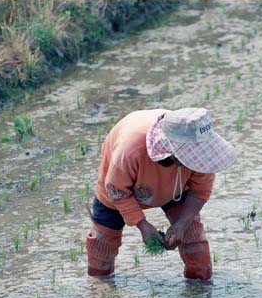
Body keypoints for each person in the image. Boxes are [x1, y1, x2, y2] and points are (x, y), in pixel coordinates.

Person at [85, 107, 236, 281]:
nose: (196, 162)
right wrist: (142, 225)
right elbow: (117, 189)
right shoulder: (130, 149)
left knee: (195, 243)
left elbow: (200, 191)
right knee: (102, 249)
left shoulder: (203, 153)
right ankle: (101, 297)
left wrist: (181, 225)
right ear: (172, 150)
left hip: (177, 188)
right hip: (118, 189)